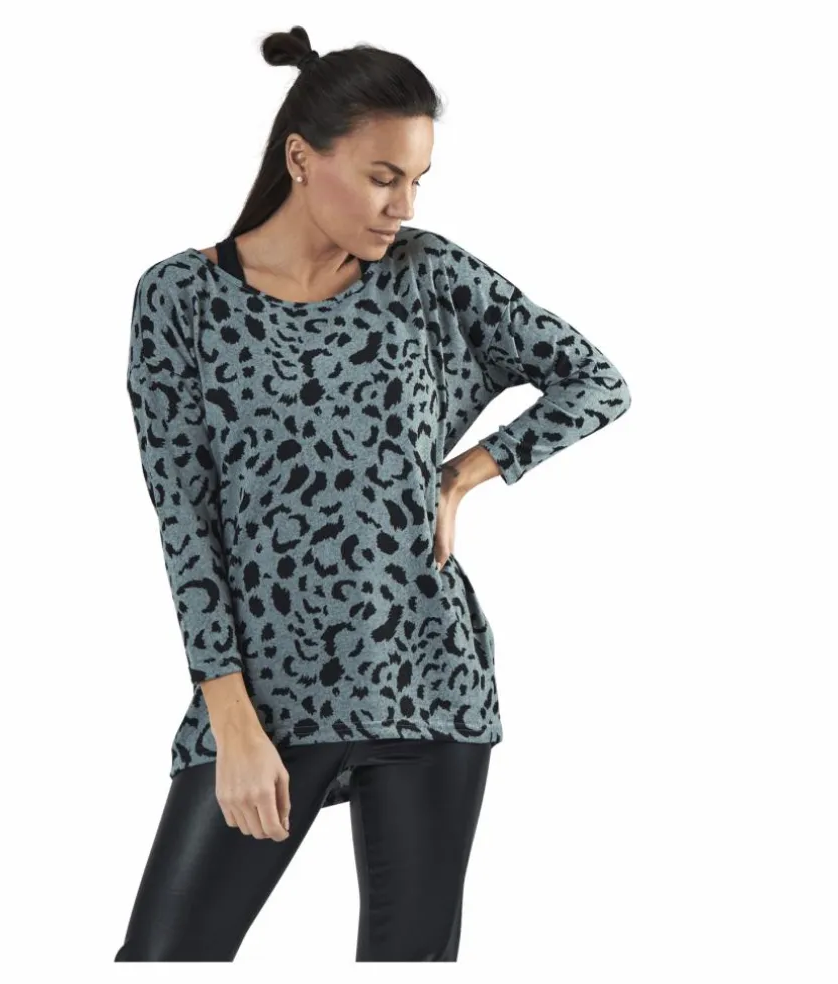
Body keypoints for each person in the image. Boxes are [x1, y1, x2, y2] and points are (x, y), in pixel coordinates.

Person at [115, 24, 631, 963]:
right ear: (301, 159)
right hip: (269, 697)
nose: (404, 205)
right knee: (164, 959)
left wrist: (465, 474)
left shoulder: (428, 274)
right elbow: (185, 522)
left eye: (418, 180)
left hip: (425, 680)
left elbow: (595, 381)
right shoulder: (181, 299)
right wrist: (230, 718)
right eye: (383, 176)